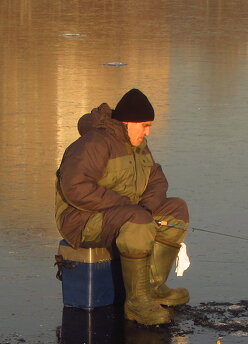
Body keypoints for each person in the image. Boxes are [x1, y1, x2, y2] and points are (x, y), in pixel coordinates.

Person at [55, 88, 190, 326]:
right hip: (81, 221)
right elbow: (74, 187)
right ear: (128, 122)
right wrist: (130, 207)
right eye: (145, 125)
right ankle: (137, 304)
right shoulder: (94, 143)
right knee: (137, 220)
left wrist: (146, 208)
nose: (148, 131)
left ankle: (153, 288)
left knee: (176, 210)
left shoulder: (139, 146)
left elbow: (157, 180)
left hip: (125, 215)